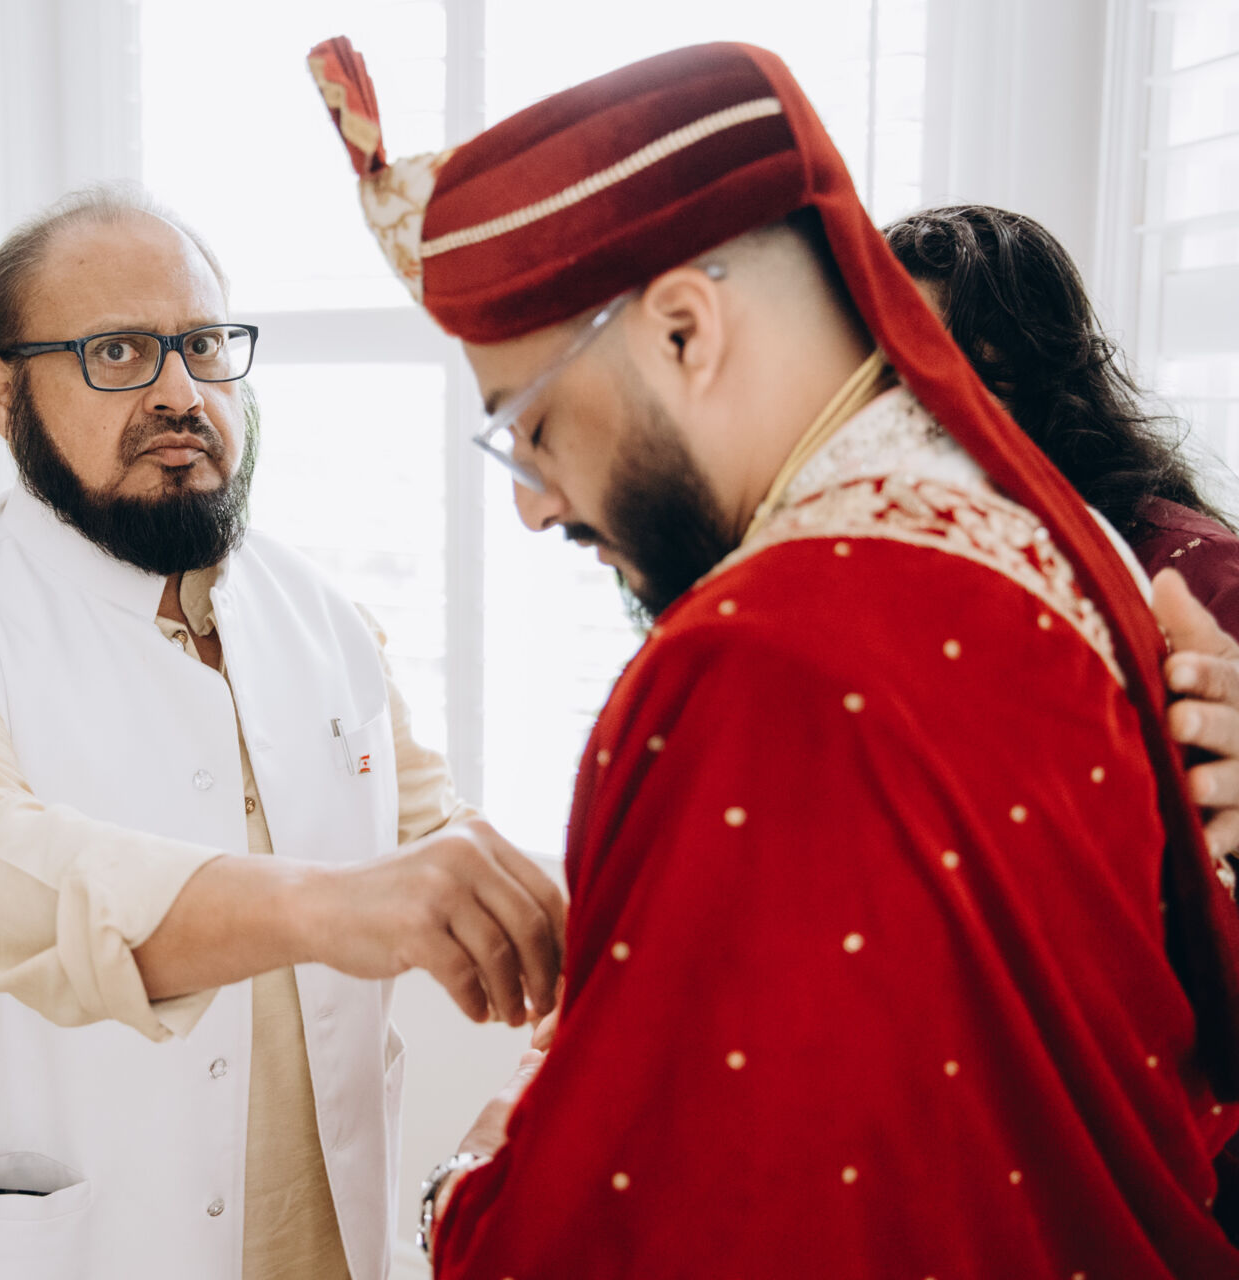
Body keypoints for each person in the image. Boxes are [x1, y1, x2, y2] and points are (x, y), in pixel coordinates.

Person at [307, 37, 1239, 1276]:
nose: (534, 503)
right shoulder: (1053, 544)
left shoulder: (761, 657)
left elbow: (620, 1230)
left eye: (532, 425)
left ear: (683, 330)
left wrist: (462, 1187)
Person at [0, 185, 565, 1280]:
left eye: (203, 346)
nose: (179, 392)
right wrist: (324, 906)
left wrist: (587, 947)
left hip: (324, 1235)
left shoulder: (326, 616)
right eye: (116, 351)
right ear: (1, 394)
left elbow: (432, 832)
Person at [888, 204, 1239, 633]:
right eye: (879, 375)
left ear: (1035, 372)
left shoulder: (1193, 571)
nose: (894, 410)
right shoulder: (879, 542)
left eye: (929, 369)